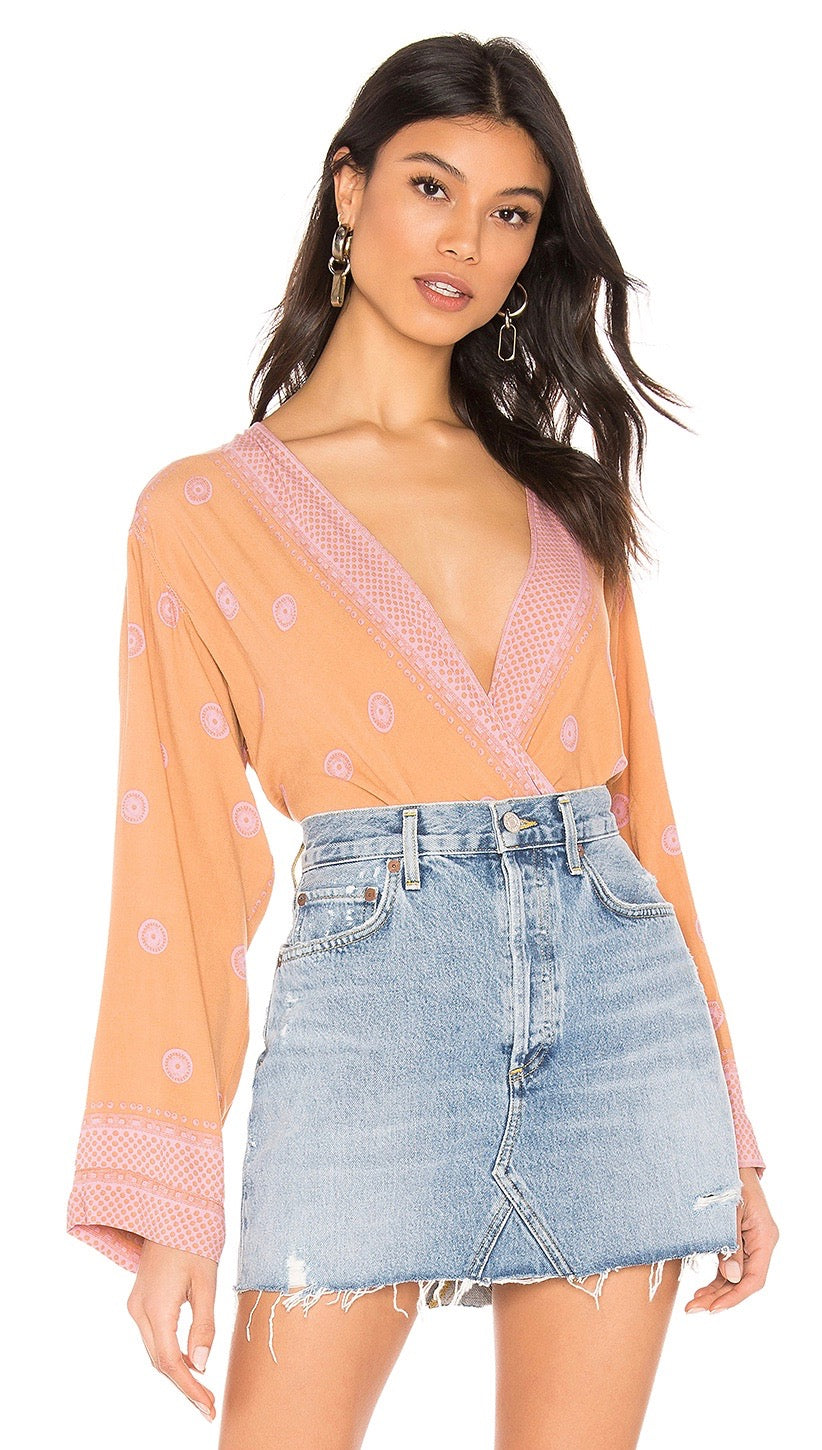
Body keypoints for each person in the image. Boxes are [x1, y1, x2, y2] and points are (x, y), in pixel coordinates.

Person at [65, 31, 778, 1447]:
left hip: (622, 1035)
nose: (466, 242)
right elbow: (182, 867)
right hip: (372, 1028)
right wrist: (171, 1198)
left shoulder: (565, 499)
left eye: (510, 213)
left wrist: (731, 1127)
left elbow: (642, 824)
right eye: (431, 187)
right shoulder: (200, 515)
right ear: (349, 189)